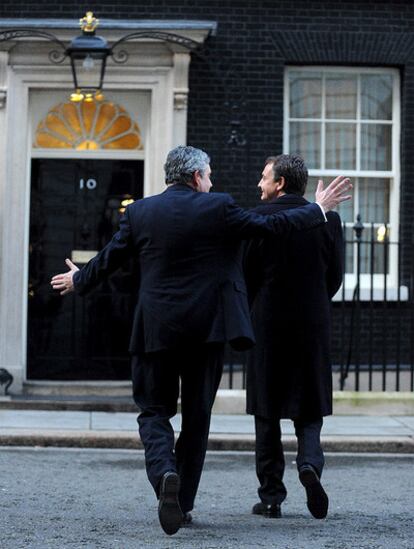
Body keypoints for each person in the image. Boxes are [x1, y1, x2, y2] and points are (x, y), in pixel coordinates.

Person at [51, 146, 350, 536]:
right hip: (207, 332)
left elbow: (111, 258)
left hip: (156, 329)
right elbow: (271, 227)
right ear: (195, 177)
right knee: (196, 420)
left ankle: (164, 476)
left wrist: (79, 279)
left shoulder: (140, 212)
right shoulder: (218, 208)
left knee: (154, 411)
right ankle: (184, 502)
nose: (212, 182)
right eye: (209, 175)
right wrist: (317, 209)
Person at [243, 154, 344, 521]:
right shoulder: (328, 220)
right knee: (310, 406)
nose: (259, 184)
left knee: (266, 411)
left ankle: (271, 497)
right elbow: (334, 277)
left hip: (266, 321)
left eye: (264, 176)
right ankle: (310, 465)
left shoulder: (258, 219)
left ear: (280, 183)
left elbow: (246, 273)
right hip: (312, 323)